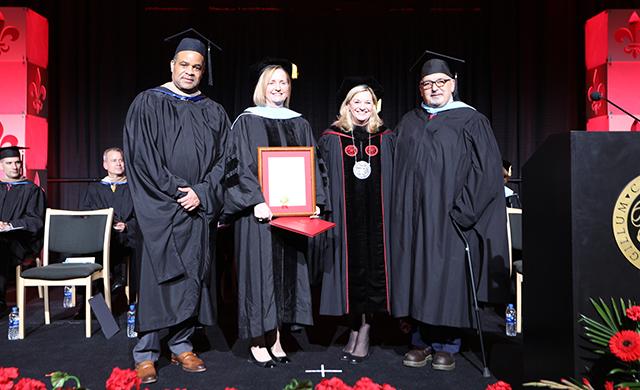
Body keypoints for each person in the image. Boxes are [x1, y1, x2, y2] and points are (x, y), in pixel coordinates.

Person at [391, 54, 509, 371]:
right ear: (420, 88)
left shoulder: (471, 121)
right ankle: (420, 341)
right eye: (427, 84)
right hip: (415, 222)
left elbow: (486, 173)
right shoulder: (410, 121)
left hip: (451, 220)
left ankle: (447, 345)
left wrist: (463, 212)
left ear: (453, 84)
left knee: (447, 279)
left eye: (441, 82)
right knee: (418, 277)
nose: (434, 88)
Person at [123, 32, 230, 384]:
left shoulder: (215, 111)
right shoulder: (148, 103)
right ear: (172, 65)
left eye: (196, 67)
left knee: (191, 279)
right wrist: (178, 191)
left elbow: (224, 161)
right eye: (183, 65)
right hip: (162, 209)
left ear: (203, 71)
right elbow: (142, 159)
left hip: (196, 210)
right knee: (157, 279)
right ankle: (147, 351)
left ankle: (182, 343)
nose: (189, 72)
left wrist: (201, 192)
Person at [223, 58, 329, 368]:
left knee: (286, 275)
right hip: (258, 216)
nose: (278, 87)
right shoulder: (246, 121)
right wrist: (255, 200)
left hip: (292, 216)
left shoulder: (300, 122)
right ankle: (258, 339)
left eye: (283, 82)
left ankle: (278, 337)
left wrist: (315, 201)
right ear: (262, 88)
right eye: (272, 82)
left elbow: (313, 165)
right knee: (260, 275)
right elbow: (237, 165)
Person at [314, 77, 394, 364]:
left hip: (379, 224)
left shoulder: (387, 138)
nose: (362, 107)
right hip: (346, 223)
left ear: (375, 107)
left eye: (368, 102)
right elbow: (319, 179)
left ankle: (366, 329)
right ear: (346, 106)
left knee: (374, 270)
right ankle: (354, 327)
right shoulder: (331, 139)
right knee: (349, 273)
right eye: (356, 101)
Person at [81, 147, 138, 293]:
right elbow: (86, 212)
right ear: (105, 165)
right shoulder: (94, 189)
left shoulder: (134, 188)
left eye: (121, 160)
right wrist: (104, 225)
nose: (119, 163)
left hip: (127, 235)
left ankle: (119, 281)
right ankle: (92, 293)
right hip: (100, 236)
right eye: (114, 160)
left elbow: (142, 215)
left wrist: (127, 225)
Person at [0, 146, 45, 317]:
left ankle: (0, 300)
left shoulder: (31, 190)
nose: (15, 166)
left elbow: (36, 221)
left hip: (22, 241)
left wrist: (9, 226)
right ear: (1, 166)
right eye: (9, 163)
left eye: (17, 162)